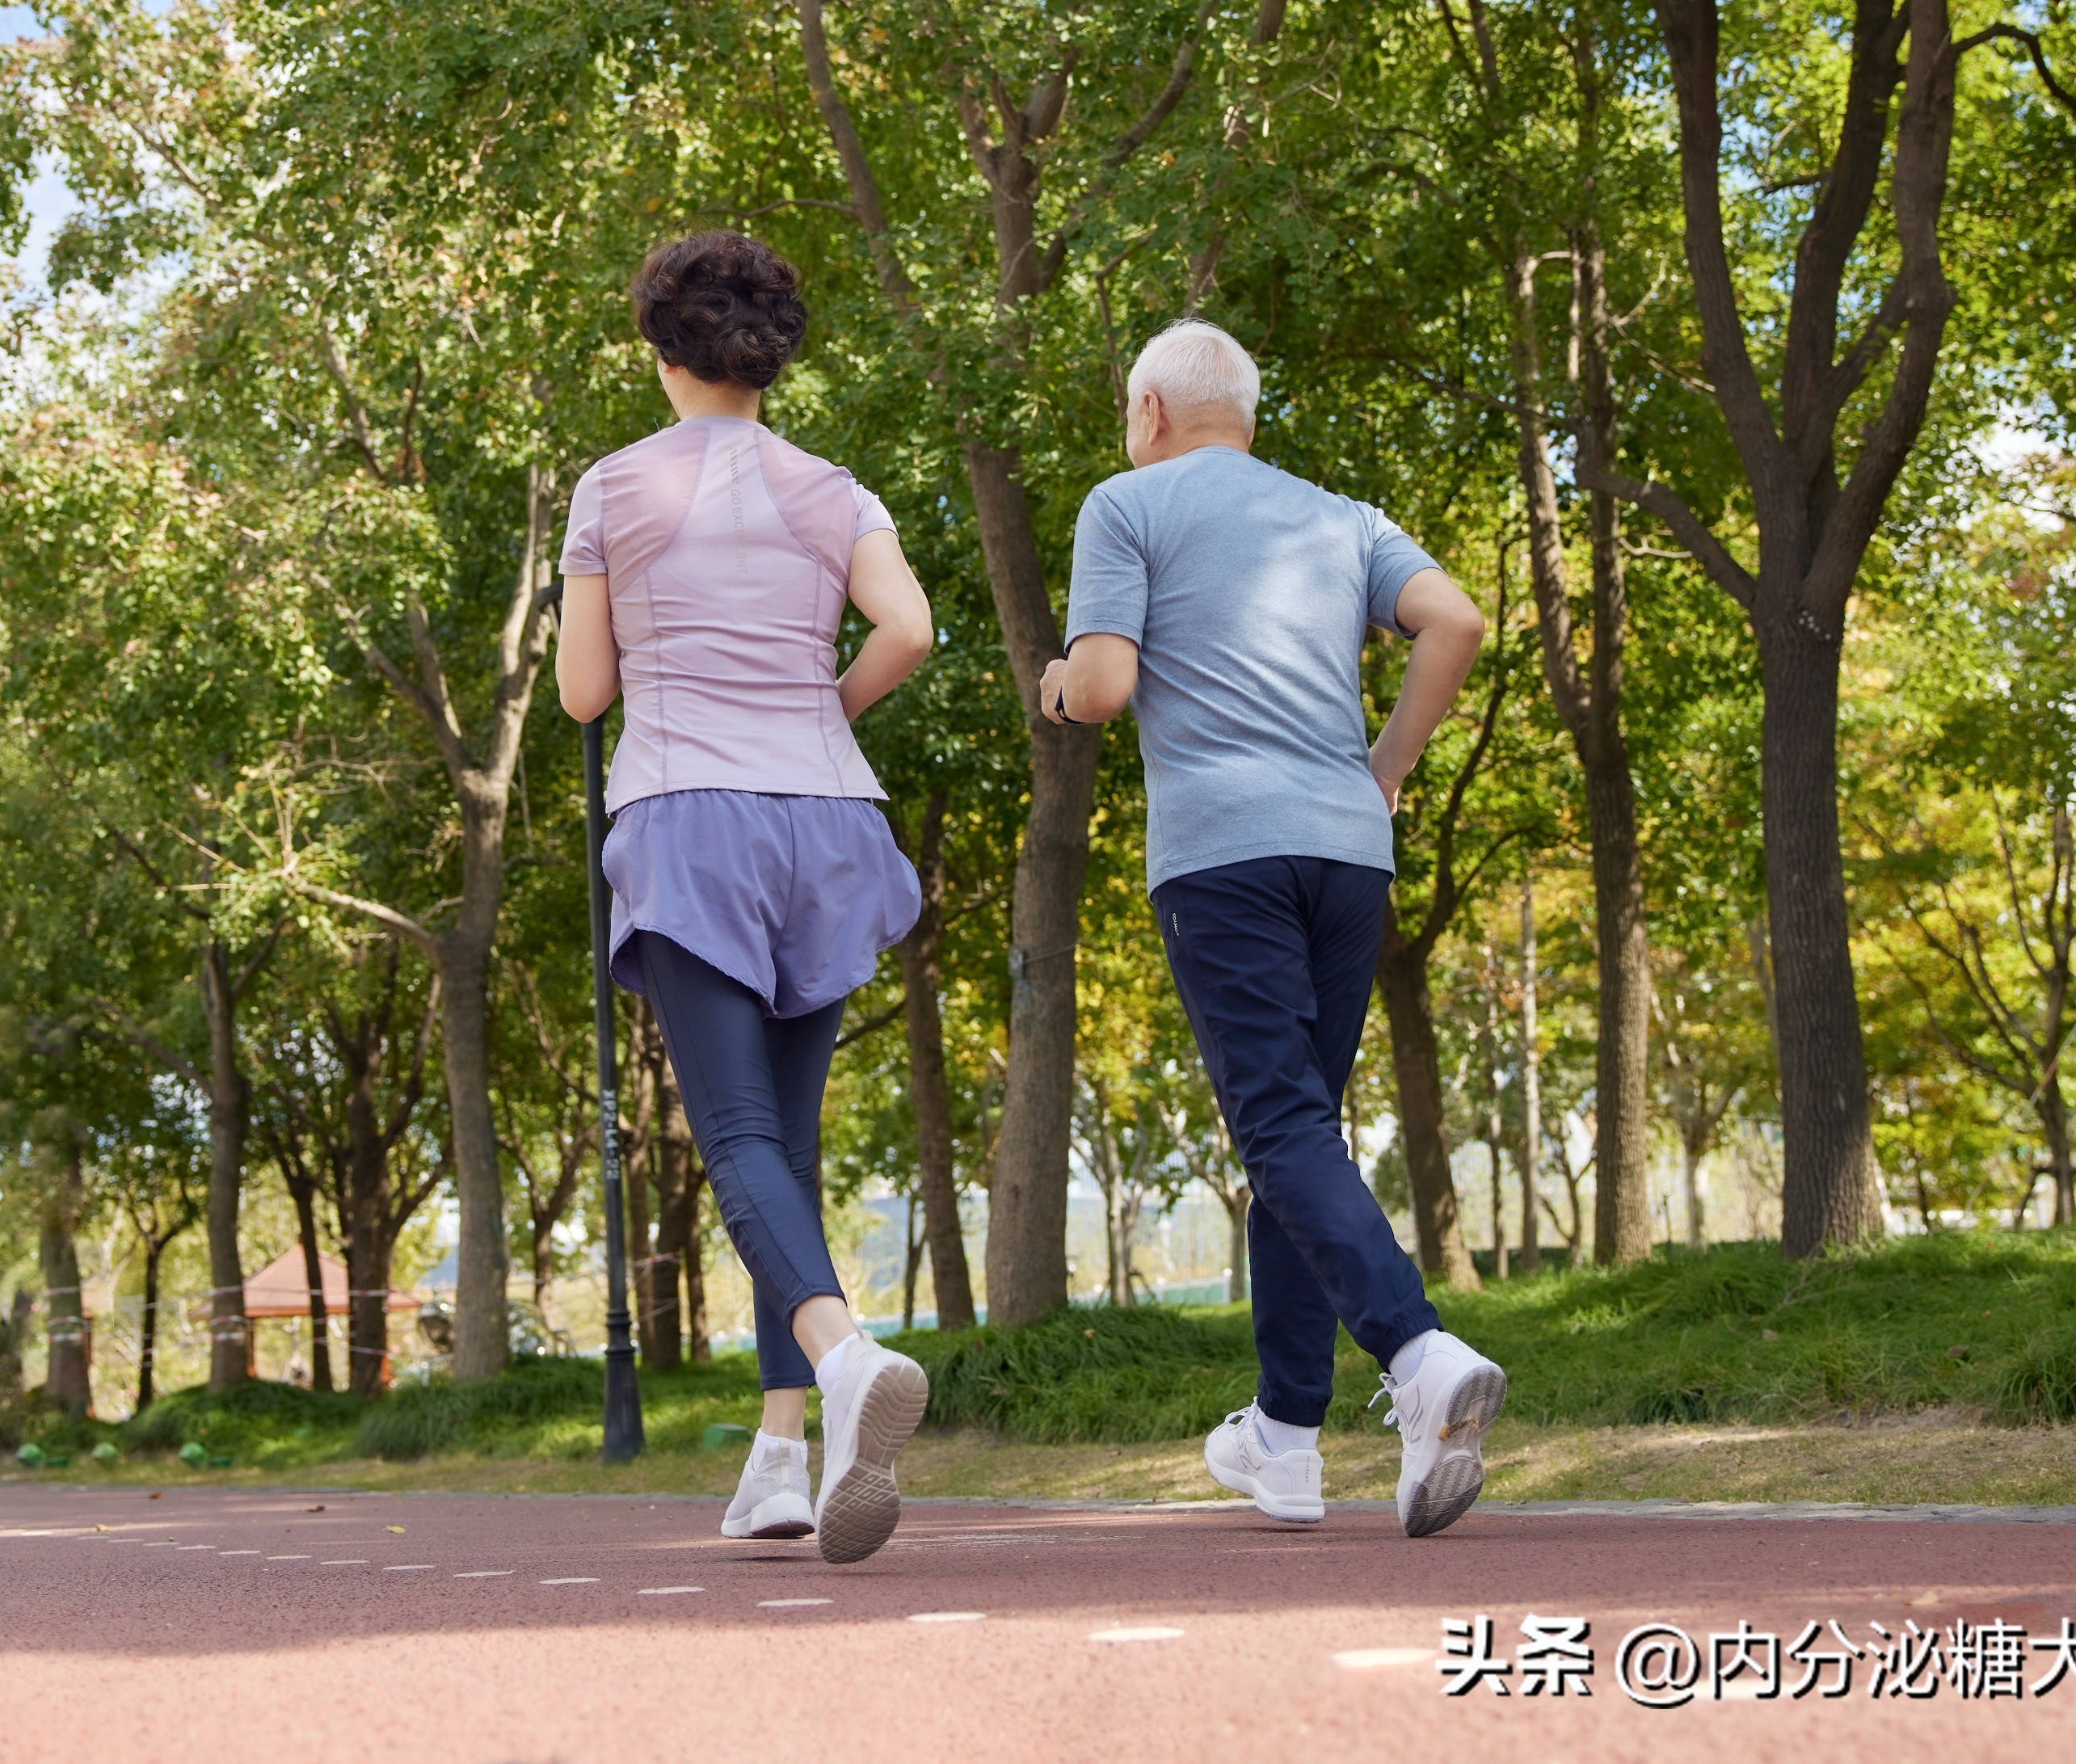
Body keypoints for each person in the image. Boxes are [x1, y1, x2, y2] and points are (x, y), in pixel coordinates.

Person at [1035, 318, 1505, 1539]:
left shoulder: (1124, 506)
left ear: (1148, 413)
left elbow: (1100, 689)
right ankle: (1287, 1438)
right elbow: (1455, 622)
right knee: (1305, 1141)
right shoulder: (1342, 517)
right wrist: (1384, 769)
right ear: (1246, 412)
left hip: (1225, 854)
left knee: (1285, 1128)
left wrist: (1054, 679)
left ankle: (1417, 1358)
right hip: (1349, 854)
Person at [558, 230, 936, 1564]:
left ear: (662, 351)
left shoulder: (612, 488)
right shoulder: (836, 488)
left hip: (689, 818)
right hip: (829, 820)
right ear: (770, 352)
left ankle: (840, 1362)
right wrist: (815, 719)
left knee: (734, 1141)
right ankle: (781, 1463)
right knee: (787, 1138)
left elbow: (584, 694)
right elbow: (911, 629)